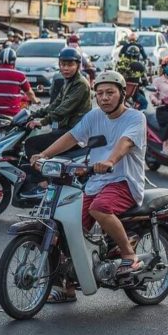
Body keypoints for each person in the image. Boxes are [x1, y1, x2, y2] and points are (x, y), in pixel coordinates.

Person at [33, 70, 148, 301]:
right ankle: (68, 288)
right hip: (97, 182)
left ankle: (129, 256)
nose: (104, 97)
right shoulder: (94, 116)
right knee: (67, 226)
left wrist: (109, 161)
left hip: (124, 180)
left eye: (110, 93)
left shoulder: (135, 117)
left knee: (100, 208)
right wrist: (43, 155)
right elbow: (72, 137)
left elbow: (125, 143)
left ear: (122, 94)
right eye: (100, 93)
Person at [23, 47, 93, 172]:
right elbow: (54, 105)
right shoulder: (68, 82)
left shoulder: (80, 84)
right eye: (63, 64)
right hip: (66, 129)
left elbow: (63, 109)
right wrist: (34, 114)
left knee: (30, 144)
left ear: (78, 65)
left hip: (74, 132)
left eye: (70, 64)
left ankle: (41, 181)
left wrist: (42, 122)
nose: (66, 68)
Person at [0, 47, 38, 120]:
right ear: (14, 61)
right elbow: (29, 93)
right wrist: (36, 100)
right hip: (13, 114)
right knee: (31, 123)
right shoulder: (19, 75)